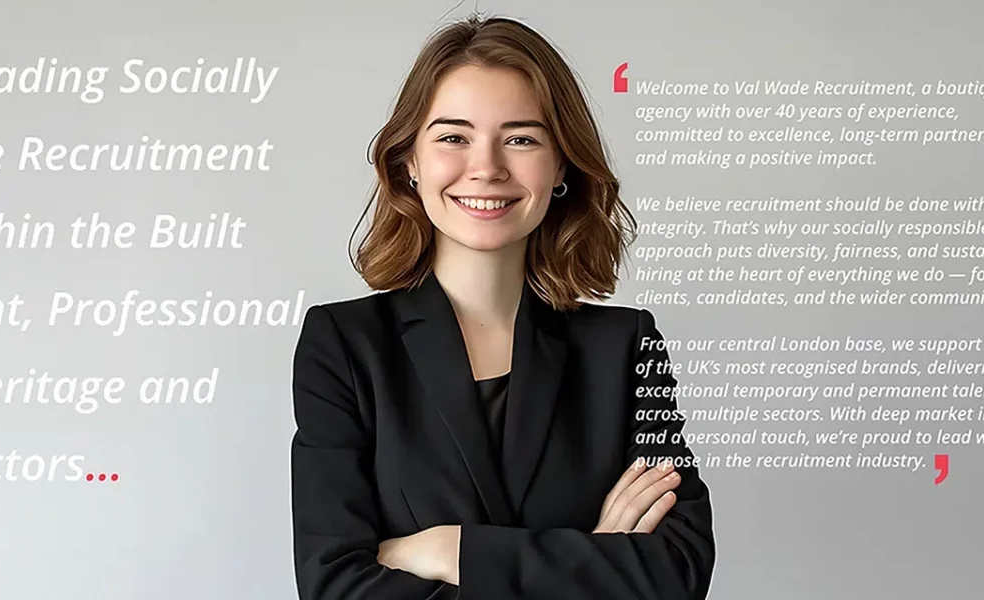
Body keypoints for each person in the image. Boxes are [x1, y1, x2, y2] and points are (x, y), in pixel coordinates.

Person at [288, 14, 716, 600]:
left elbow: (677, 572)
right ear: (410, 161)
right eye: (453, 137)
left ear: (560, 164)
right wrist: (593, 557)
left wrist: (453, 551)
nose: (487, 167)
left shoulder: (626, 346)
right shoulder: (343, 344)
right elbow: (335, 586)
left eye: (521, 139)